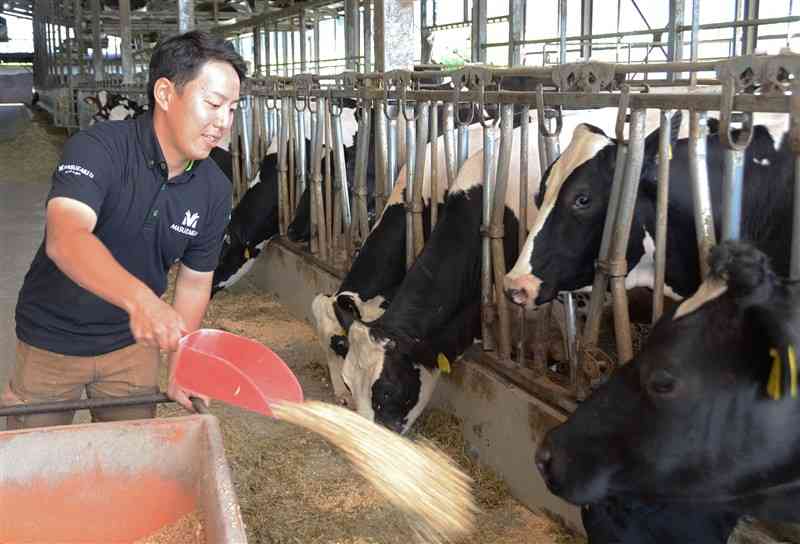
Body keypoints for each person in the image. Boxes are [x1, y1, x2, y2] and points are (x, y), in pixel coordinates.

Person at [1, 31, 245, 429]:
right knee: (38, 458)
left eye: (233, 108)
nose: (224, 123)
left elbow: (194, 283)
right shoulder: (98, 148)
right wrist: (142, 302)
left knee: (131, 457)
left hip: (134, 347)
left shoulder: (214, 187)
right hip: (52, 339)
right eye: (214, 104)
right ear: (165, 94)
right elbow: (66, 239)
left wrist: (181, 355)